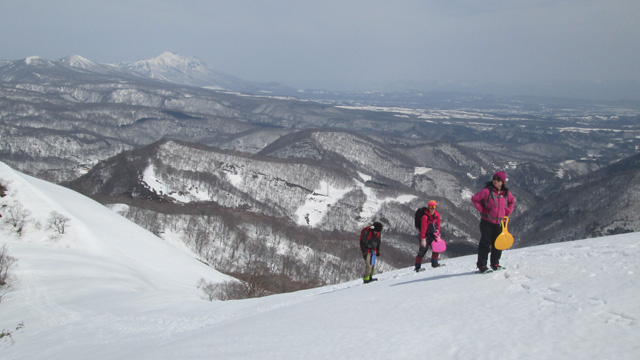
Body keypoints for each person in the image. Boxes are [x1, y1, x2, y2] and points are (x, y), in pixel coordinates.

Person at [471, 171, 516, 273]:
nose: (496, 181)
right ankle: (482, 265)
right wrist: (482, 210)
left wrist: (508, 211)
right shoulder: (487, 191)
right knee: (485, 244)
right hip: (487, 222)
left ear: (503, 182)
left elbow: (512, 201)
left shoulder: (506, 193)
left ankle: (495, 263)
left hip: (500, 223)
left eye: (498, 179)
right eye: (494, 179)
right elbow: (474, 199)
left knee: (498, 244)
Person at [414, 200, 443, 271]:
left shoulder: (437, 215)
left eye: (434, 207)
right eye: (431, 207)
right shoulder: (425, 217)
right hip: (425, 236)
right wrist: (423, 239)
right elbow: (423, 229)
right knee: (422, 251)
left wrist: (438, 233)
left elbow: (438, 225)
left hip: (433, 234)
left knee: (437, 247)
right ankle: (417, 267)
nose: (432, 208)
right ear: (428, 207)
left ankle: (434, 263)